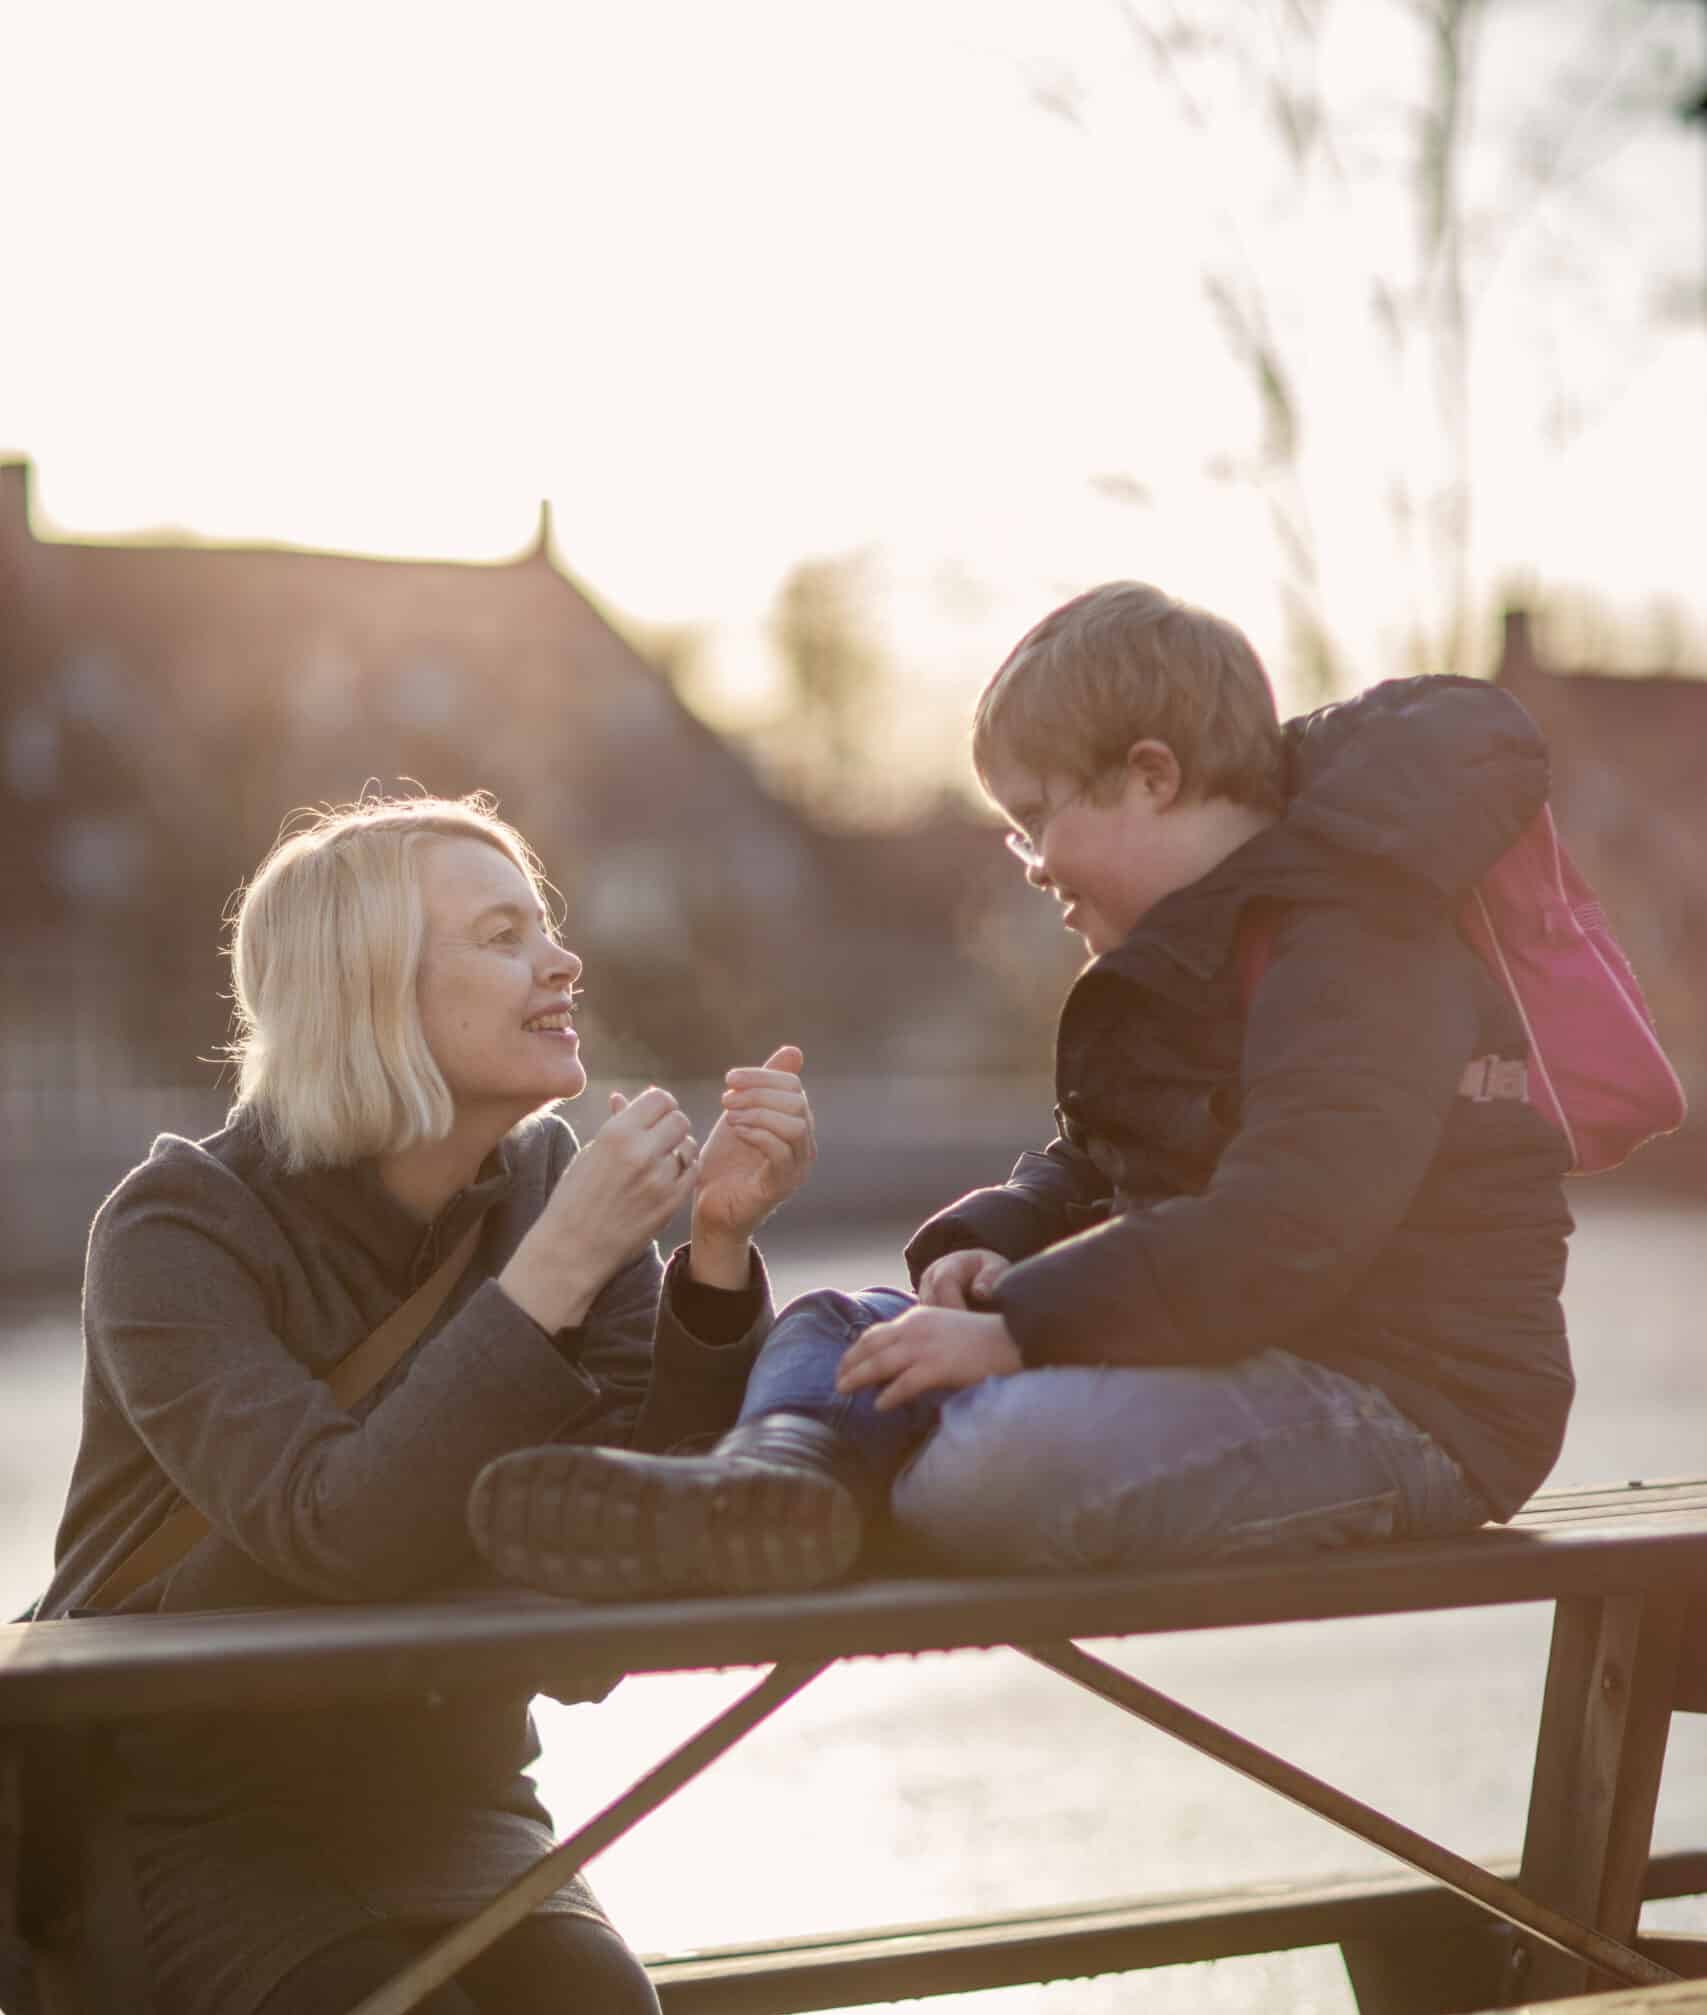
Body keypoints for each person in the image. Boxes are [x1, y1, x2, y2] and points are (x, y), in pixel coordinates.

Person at [7, 790, 814, 2015]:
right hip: (145, 1809)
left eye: (547, 918)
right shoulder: (178, 1232)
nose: (562, 956)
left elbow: (626, 1528)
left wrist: (715, 1255)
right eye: (502, 932)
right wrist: (559, 1267)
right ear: (373, 991)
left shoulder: (546, 1193)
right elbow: (334, 1525)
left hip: (429, 1785)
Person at [468, 582, 1574, 1603]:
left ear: (1152, 776)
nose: (1031, 862)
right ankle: (768, 1481)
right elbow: (1099, 1154)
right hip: (1238, 1342)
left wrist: (1017, 1331)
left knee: (989, 1467)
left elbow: (1287, 1228)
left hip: (1405, 1396)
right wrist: (1009, 1230)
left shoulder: (1356, 943)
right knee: (832, 1322)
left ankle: (804, 1498)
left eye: (1037, 816)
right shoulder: (1180, 950)